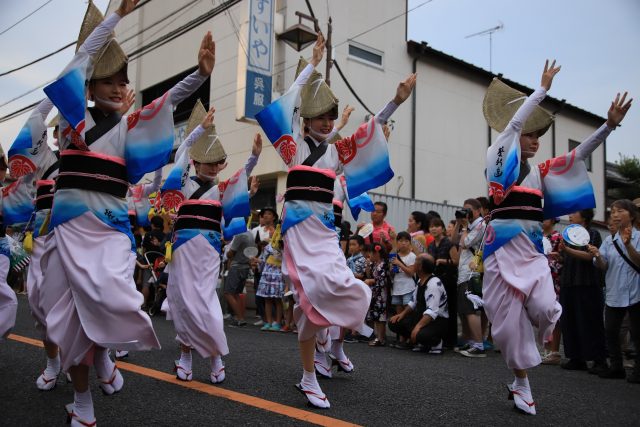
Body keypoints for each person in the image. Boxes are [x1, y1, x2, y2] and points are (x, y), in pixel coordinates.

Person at [39, 2, 216, 423]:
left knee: (109, 302)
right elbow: (77, 65)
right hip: (69, 232)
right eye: (108, 81)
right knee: (71, 319)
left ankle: (100, 363)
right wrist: (116, 17)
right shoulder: (72, 121)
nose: (119, 88)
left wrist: (202, 76)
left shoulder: (129, 126)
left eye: (123, 81)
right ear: (88, 86)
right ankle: (84, 405)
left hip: (112, 232)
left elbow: (168, 101)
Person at [255, 30, 415, 408]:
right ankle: (309, 376)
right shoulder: (290, 145)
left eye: (330, 117)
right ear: (304, 119)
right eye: (319, 117)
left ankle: (333, 344)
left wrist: (395, 101)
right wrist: (311, 65)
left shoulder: (334, 152)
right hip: (297, 234)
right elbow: (287, 101)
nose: (326, 122)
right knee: (307, 305)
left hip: (325, 235)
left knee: (350, 286)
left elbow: (366, 132)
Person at [482, 60, 631, 414]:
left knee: (549, 308)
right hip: (500, 253)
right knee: (508, 331)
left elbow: (578, 155)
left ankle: (531, 353)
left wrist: (608, 127)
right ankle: (521, 382)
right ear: (515, 134)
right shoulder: (497, 158)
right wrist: (542, 89)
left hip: (531, 255)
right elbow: (514, 124)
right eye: (531, 134)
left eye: (538, 136)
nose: (535, 140)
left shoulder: (540, 175)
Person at [161, 101, 261, 383]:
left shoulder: (221, 188)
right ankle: (185, 356)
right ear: (195, 161)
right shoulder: (184, 183)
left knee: (206, 303)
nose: (215, 167)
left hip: (207, 252)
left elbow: (240, 181)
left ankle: (216, 356)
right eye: (210, 161)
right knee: (182, 302)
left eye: (219, 162)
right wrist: (199, 131)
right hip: (181, 251)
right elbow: (181, 152)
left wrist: (253, 159)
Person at [590, 199, 640, 383]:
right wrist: (597, 255)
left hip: (636, 293)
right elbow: (603, 265)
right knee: (610, 330)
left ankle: (638, 370)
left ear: (632, 215)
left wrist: (628, 246)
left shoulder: (639, 237)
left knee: (637, 334)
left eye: (620, 211)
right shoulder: (610, 241)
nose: (616, 215)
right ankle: (616, 367)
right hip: (615, 292)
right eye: (613, 212)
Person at [559, 209, 607, 373]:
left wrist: (567, 250)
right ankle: (576, 357)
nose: (570, 215)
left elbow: (590, 256)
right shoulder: (567, 235)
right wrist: (558, 255)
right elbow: (564, 258)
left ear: (585, 217)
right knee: (570, 321)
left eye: (574, 213)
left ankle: (599, 359)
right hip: (569, 282)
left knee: (591, 322)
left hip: (588, 284)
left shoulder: (592, 234)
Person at [389, 255, 449, 353]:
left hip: (437, 321)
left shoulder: (434, 284)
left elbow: (431, 312)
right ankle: (420, 341)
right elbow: (413, 302)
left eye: (416, 261)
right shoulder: (421, 280)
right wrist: (401, 314)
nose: (413, 263)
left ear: (420, 267)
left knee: (420, 334)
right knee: (394, 323)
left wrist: (417, 328)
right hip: (421, 317)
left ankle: (436, 343)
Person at [450, 198, 486, 355]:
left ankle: (479, 345)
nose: (466, 212)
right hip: (463, 272)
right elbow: (453, 240)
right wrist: (459, 223)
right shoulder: (469, 226)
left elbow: (465, 243)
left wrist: (464, 227)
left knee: (471, 310)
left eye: (469, 209)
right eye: (464, 209)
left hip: (472, 272)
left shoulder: (480, 225)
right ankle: (470, 341)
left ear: (478, 211)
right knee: (464, 310)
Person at [425, 217, 458, 351]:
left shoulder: (449, 243)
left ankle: (451, 341)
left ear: (443, 229)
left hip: (448, 280)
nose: (433, 228)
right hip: (436, 281)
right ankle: (440, 338)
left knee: (450, 309)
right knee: (437, 310)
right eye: (431, 226)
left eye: (437, 226)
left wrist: (444, 261)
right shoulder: (431, 245)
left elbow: (456, 261)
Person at [540, 217, 563, 365]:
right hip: (541, 278)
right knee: (543, 314)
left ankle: (554, 351)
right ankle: (546, 349)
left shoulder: (557, 237)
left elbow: (561, 260)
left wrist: (546, 261)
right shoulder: (537, 236)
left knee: (554, 314)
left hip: (553, 279)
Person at [365, 243, 390, 347]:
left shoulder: (384, 264)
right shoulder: (374, 264)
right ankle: (378, 336)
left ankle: (381, 338)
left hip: (381, 292)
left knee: (381, 316)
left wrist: (371, 280)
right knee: (376, 315)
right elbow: (368, 275)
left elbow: (383, 280)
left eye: (371, 252)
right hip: (374, 292)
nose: (369, 255)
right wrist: (367, 266)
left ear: (377, 253)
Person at [390, 232, 417, 325]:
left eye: (406, 241)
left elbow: (411, 273)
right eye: (401, 240)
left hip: (408, 288)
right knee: (398, 314)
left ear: (410, 243)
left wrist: (399, 263)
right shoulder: (394, 256)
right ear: (397, 242)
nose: (403, 243)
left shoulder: (412, 256)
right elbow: (392, 274)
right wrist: (391, 269)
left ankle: (409, 337)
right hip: (397, 288)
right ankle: (401, 338)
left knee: (408, 313)